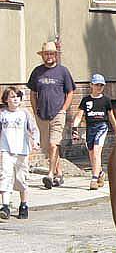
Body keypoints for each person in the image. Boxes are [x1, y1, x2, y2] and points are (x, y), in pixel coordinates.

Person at [27, 39, 75, 189]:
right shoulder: (37, 71)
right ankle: (59, 173)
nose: (49, 56)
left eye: (51, 53)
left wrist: (63, 109)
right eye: (46, 54)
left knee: (54, 144)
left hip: (57, 114)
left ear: (55, 55)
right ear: (42, 56)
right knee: (48, 147)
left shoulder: (63, 71)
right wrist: (35, 111)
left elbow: (71, 92)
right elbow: (33, 93)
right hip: (42, 114)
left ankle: (50, 175)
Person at [71, 74, 116, 190]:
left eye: (101, 85)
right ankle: (100, 173)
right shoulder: (86, 100)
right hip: (90, 128)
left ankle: (94, 178)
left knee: (97, 151)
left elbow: (111, 117)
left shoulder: (106, 100)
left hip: (102, 126)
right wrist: (74, 128)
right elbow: (79, 115)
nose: (99, 87)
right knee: (92, 154)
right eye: (97, 85)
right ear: (91, 85)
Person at [0, 86, 39, 219]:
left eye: (17, 96)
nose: (15, 99)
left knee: (21, 179)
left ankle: (23, 204)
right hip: (6, 150)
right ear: (6, 99)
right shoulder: (2, 114)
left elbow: (33, 129)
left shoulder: (24, 113)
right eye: (12, 96)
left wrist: (35, 141)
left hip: (22, 151)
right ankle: (5, 206)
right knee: (5, 176)